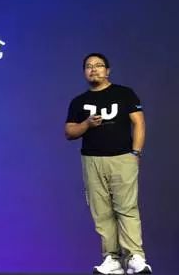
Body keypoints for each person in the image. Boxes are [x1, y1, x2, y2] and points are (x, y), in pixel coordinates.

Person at [65, 53, 152, 275]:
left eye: (98, 65)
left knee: (127, 208)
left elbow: (139, 123)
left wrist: (135, 153)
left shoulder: (124, 93)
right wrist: (86, 124)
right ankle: (111, 259)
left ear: (108, 70)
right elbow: (69, 132)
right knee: (101, 212)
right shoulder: (79, 101)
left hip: (122, 158)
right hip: (92, 160)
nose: (93, 69)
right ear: (84, 72)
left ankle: (135, 257)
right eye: (88, 66)